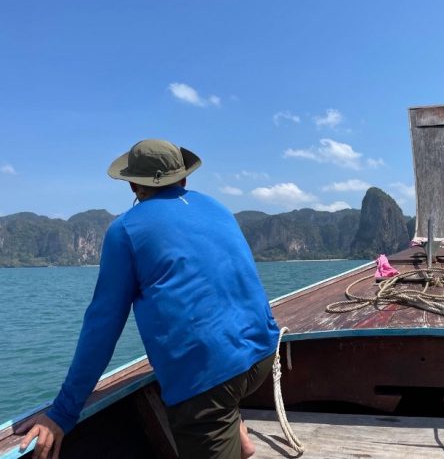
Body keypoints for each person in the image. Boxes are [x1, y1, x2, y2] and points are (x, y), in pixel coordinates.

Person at [19, 139, 280, 459]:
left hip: (211, 381)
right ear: (184, 178)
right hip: (263, 354)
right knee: (222, 379)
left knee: (212, 393)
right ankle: (236, 429)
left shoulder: (125, 230)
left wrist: (62, 412)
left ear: (133, 185)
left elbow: (102, 324)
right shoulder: (217, 207)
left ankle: (224, 419)